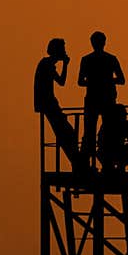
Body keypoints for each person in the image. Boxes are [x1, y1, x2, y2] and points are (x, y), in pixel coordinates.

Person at [34, 38, 90, 174]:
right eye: (62, 49)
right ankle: (79, 165)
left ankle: (78, 164)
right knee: (68, 134)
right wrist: (65, 64)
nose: (64, 51)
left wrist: (65, 64)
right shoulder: (46, 64)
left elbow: (61, 82)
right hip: (48, 104)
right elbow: (61, 82)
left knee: (67, 134)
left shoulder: (48, 64)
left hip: (50, 104)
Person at [78, 31, 125, 163]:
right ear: (104, 42)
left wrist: (96, 81)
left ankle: (92, 162)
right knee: (105, 132)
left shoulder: (86, 59)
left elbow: (80, 82)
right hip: (106, 100)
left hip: (95, 99)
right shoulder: (111, 59)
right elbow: (121, 80)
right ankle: (105, 162)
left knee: (92, 132)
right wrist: (107, 81)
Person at [97, 104, 128, 175]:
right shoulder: (125, 124)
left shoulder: (107, 124)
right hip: (109, 153)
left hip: (108, 153)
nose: (126, 115)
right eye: (124, 113)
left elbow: (99, 142)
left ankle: (124, 173)